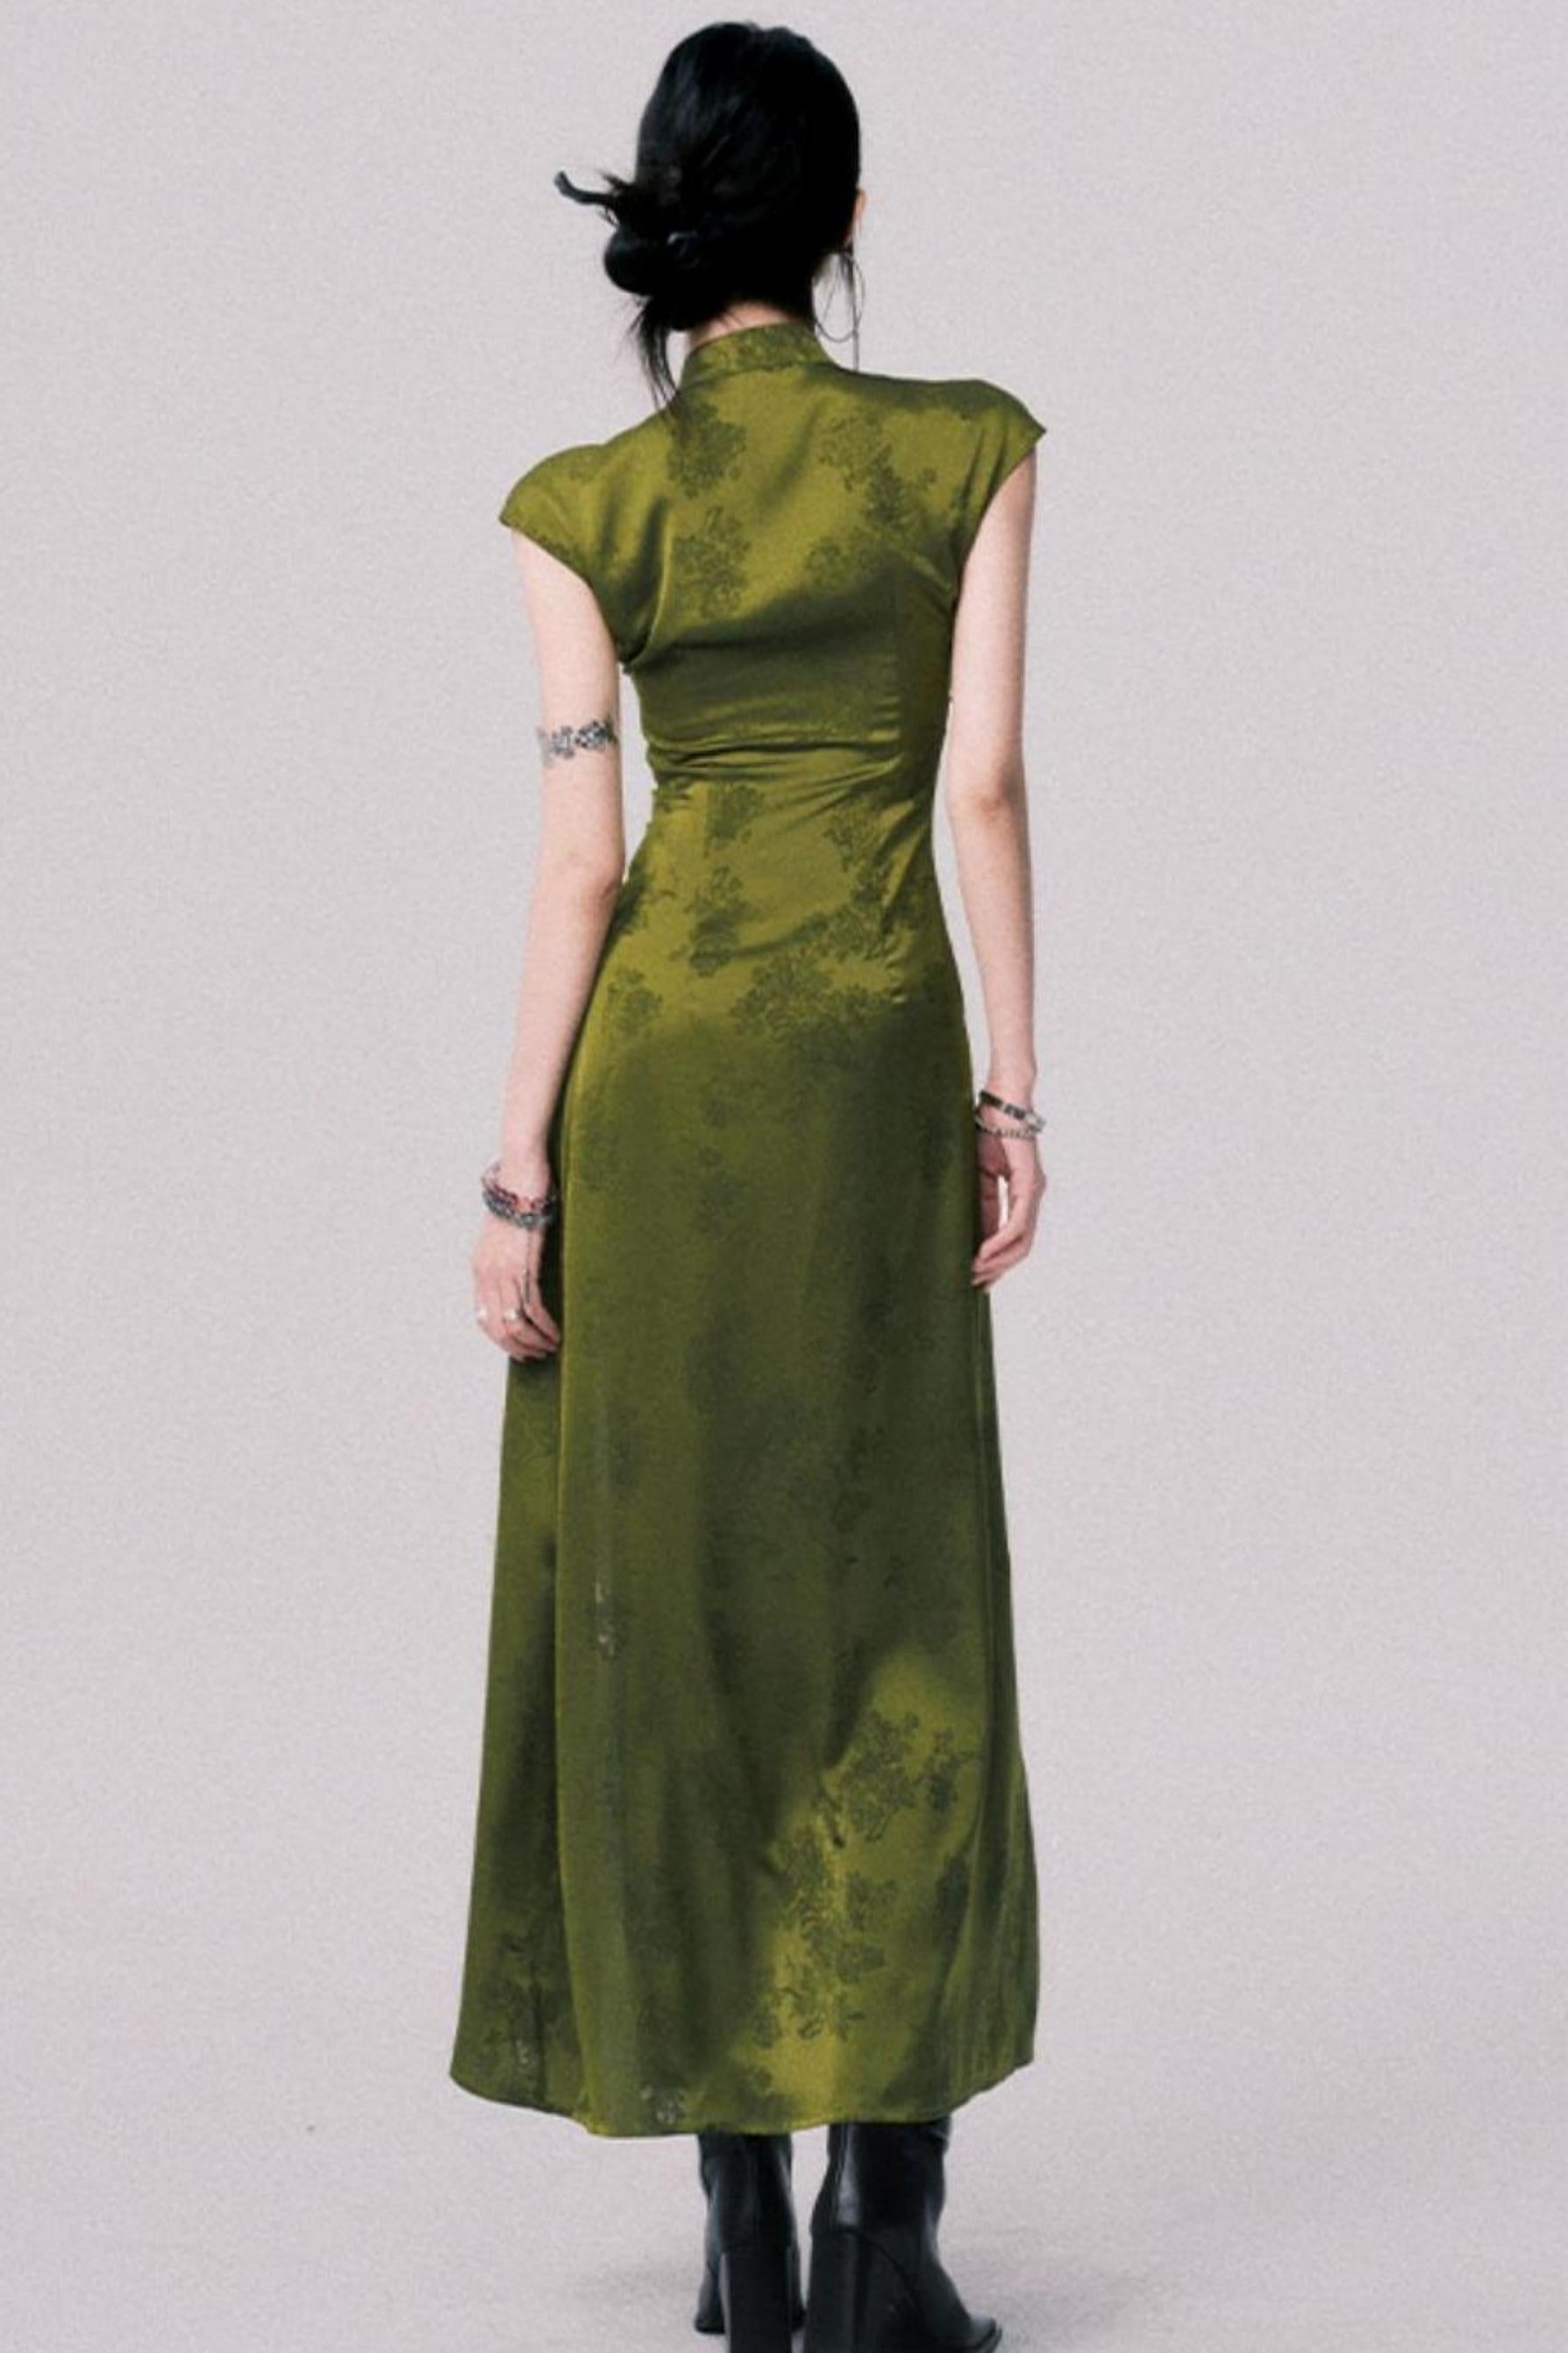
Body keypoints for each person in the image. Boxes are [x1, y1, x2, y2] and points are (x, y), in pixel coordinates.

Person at [448, 23, 1049, 2353]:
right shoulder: (967, 449)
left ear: (666, 229)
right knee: (895, 1602)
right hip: (871, 1050)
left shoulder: (577, 502)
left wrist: (521, 1169)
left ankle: (742, 2232)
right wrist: (1012, 1092)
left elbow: (578, 860)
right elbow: (976, 788)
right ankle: (889, 2228)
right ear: (847, 220)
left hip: (669, 1076)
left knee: (684, 1604)